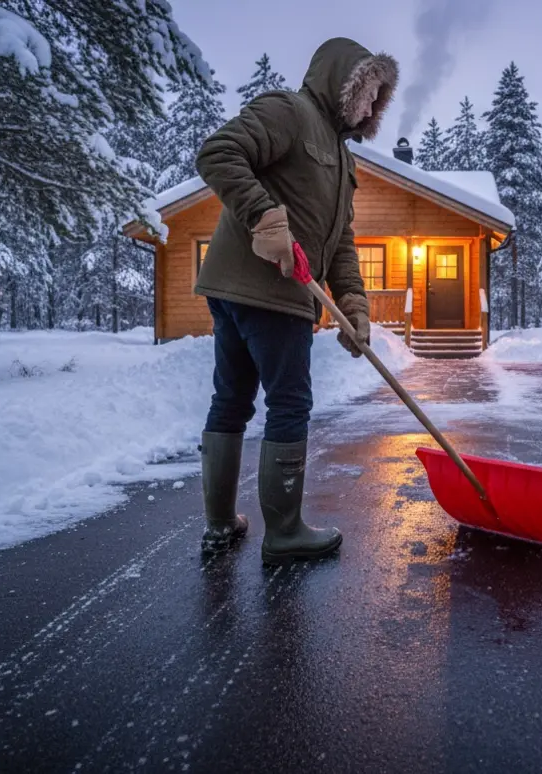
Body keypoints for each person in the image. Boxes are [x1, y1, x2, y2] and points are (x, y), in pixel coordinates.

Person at [191, 38, 398, 565]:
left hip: (250, 291)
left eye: (379, 100)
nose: (372, 108)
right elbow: (219, 153)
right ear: (344, 83)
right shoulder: (289, 111)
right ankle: (283, 533)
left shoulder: (343, 160)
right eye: (367, 94)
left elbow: (341, 241)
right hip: (267, 291)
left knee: (232, 400)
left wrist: (354, 303)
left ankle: (220, 525)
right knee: (289, 403)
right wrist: (263, 215)